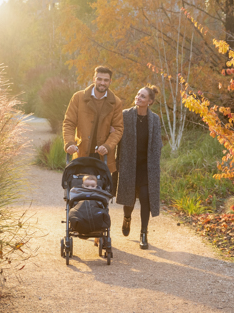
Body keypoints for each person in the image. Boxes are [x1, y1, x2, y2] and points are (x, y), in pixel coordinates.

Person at [116, 85, 162, 249]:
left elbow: (157, 143)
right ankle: (127, 218)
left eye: (142, 96)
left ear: (149, 101)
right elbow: (118, 138)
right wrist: (117, 162)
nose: (138, 98)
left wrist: (155, 165)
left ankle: (144, 232)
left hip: (146, 166)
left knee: (145, 197)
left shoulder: (154, 119)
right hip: (129, 163)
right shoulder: (126, 115)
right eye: (137, 94)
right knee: (129, 199)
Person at [62, 66, 124, 175]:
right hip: (81, 153)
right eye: (99, 79)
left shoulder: (115, 102)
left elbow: (118, 129)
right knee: (79, 187)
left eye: (105, 80)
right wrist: (70, 143)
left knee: (101, 189)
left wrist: (107, 146)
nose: (102, 83)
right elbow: (69, 123)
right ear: (94, 79)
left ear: (110, 81)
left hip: (103, 156)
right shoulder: (78, 97)